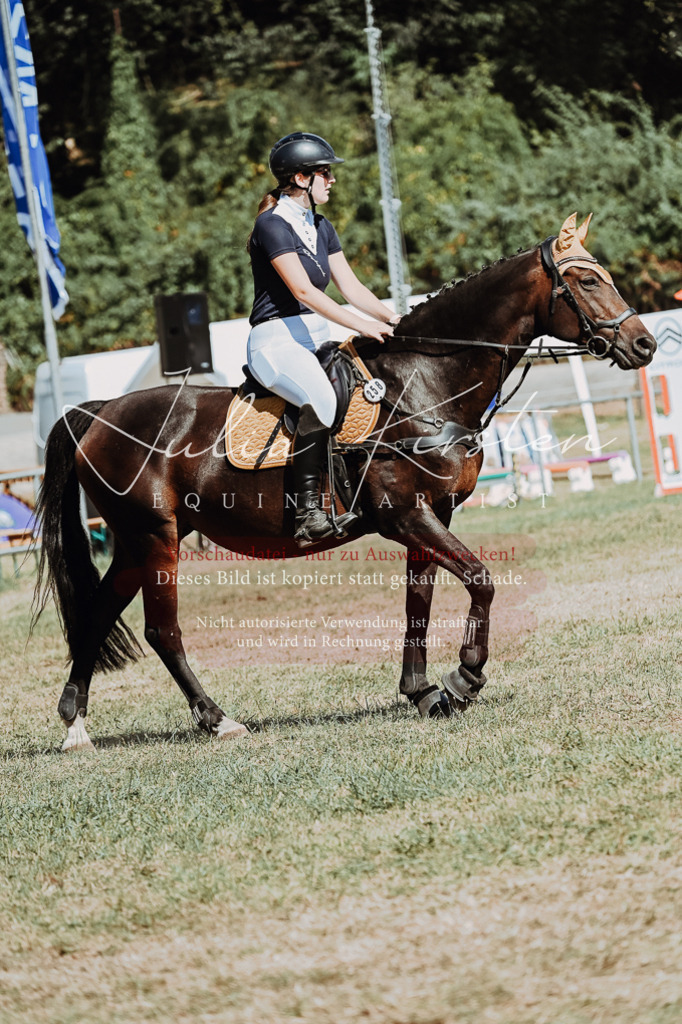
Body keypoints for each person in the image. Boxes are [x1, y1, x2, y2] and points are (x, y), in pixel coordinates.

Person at [247, 131, 399, 547]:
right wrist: (359, 326)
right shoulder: (271, 224)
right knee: (323, 400)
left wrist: (393, 318)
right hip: (276, 343)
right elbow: (304, 292)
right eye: (324, 173)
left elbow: (351, 287)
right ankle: (307, 513)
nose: (331, 180)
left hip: (314, 342)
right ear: (299, 178)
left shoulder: (320, 225)